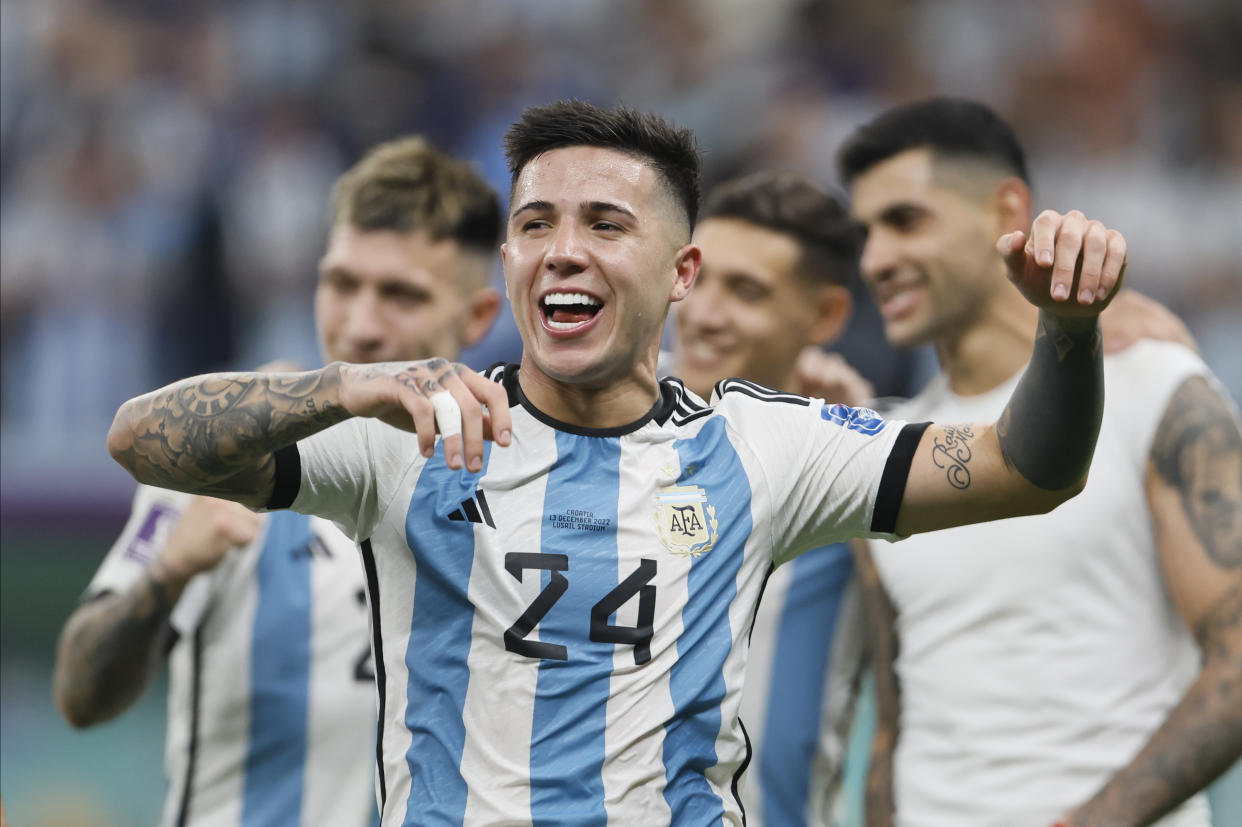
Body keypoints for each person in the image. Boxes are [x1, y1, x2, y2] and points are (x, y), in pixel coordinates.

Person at [106, 99, 1127, 826]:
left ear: (682, 271)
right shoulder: (408, 432)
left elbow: (1025, 467)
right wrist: (337, 387)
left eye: (606, 223)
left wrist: (1068, 331)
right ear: (508, 259)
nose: (563, 249)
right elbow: (139, 437)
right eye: (535, 223)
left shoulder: (762, 443)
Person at [53, 136, 504, 827]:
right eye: (342, 283)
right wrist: (168, 571)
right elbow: (80, 692)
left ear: (478, 316)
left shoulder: (510, 480)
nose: (360, 324)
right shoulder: (226, 452)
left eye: (400, 295)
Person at [837, 97, 1242, 827]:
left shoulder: (1156, 384)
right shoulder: (887, 447)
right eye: (863, 233)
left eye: (905, 220)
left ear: (1005, 211)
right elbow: (893, 725)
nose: (876, 259)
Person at [674, 170, 872, 827]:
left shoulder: (865, 460)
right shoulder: (595, 439)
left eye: (746, 291)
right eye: (695, 277)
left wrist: (861, 450)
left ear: (825, 316)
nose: (703, 311)